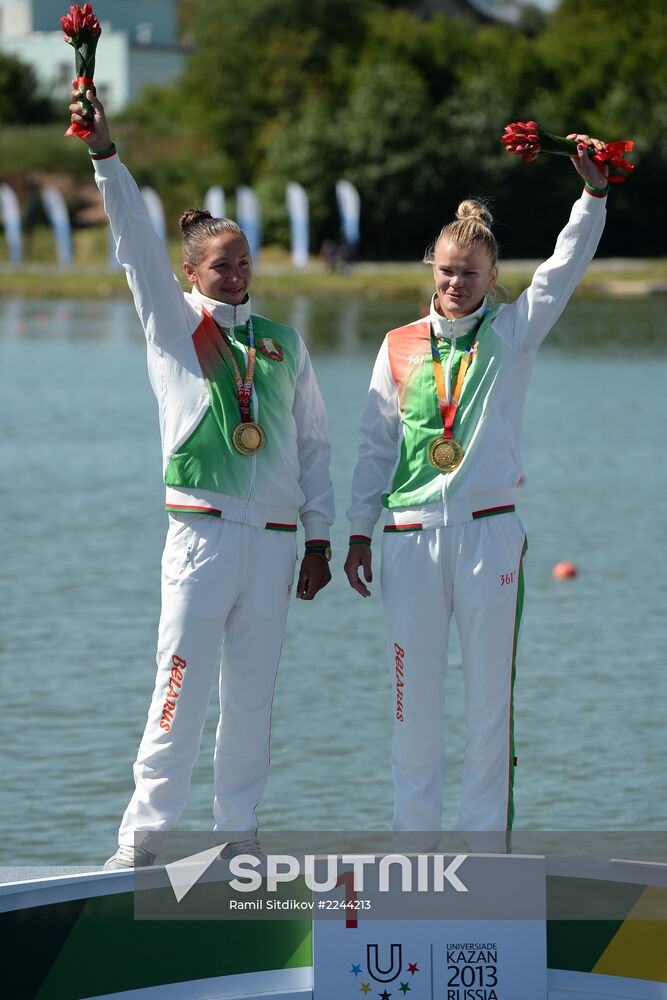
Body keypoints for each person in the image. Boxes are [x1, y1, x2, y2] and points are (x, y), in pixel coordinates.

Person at [67, 91, 335, 869]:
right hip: (201, 537)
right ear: (190, 273)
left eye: (245, 260)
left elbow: (315, 448)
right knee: (179, 688)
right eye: (223, 265)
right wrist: (105, 154)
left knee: (250, 702)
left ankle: (237, 836)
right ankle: (143, 838)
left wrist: (320, 542)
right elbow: (132, 242)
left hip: (277, 544)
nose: (238, 273)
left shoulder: (283, 343)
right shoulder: (174, 326)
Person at [344, 137, 611, 848]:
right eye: (445, 270)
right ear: (430, 270)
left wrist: (591, 198)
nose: (455, 282)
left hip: (488, 533)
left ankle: (483, 854)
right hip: (405, 540)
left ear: (493, 276)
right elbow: (374, 445)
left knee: (490, 707)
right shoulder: (398, 343)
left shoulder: (514, 331)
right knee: (412, 709)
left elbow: (562, 270)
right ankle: (413, 851)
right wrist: (355, 532)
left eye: (469, 273)